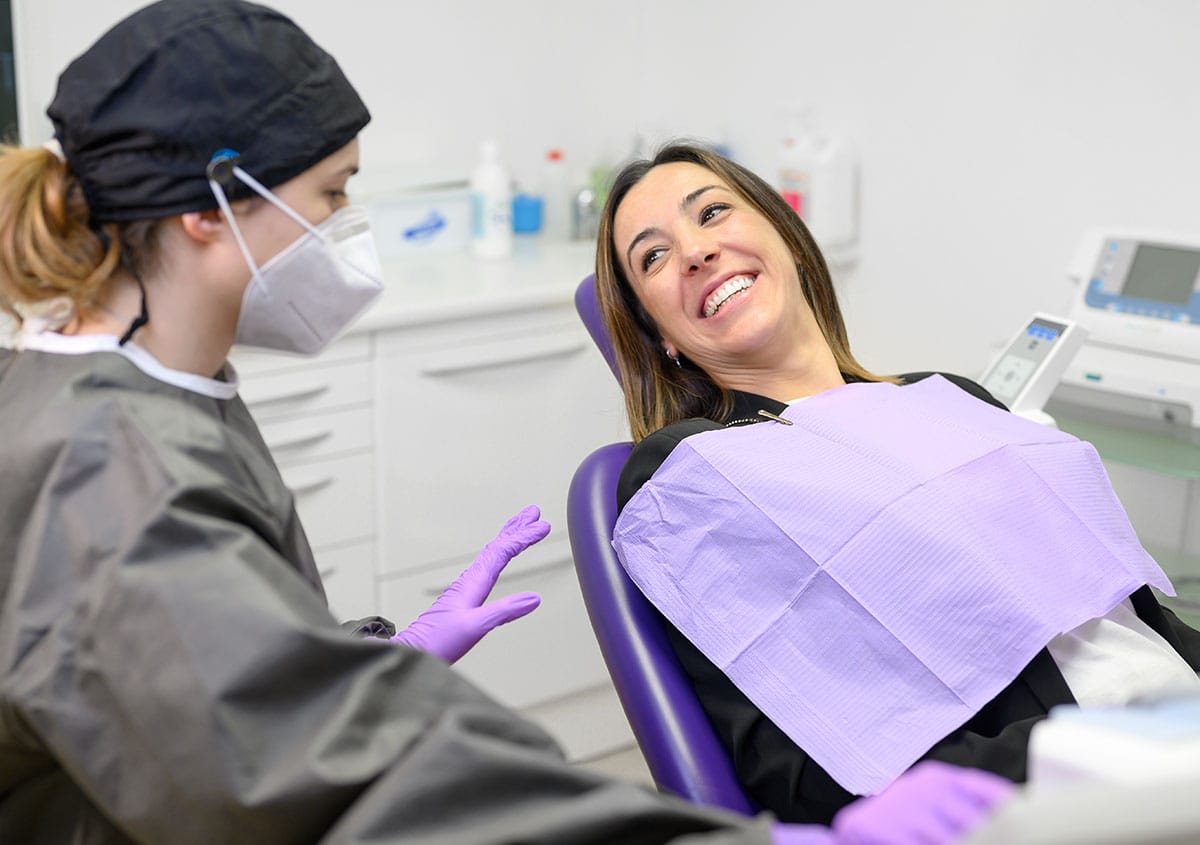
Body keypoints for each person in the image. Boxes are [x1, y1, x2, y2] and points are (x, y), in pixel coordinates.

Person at [0, 2, 1012, 843]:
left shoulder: (167, 387)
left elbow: (204, 659)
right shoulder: (107, 461)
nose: (348, 228)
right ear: (212, 206)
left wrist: (372, 654)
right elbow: (353, 783)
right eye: (333, 193)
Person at [595, 142, 1200, 825]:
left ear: (788, 240)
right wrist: (1113, 743)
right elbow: (806, 771)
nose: (696, 251)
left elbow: (1136, 614)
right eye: (653, 256)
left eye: (712, 213)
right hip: (1066, 789)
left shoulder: (952, 397)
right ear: (660, 336)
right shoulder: (694, 471)